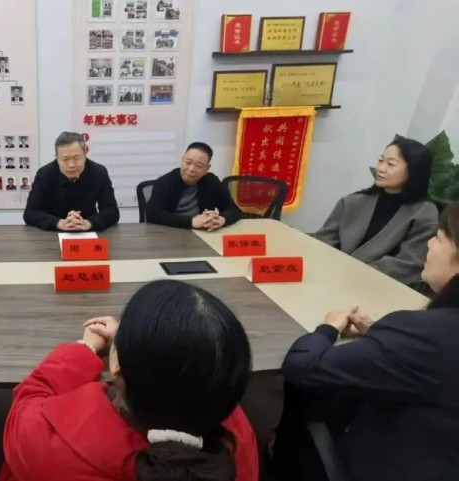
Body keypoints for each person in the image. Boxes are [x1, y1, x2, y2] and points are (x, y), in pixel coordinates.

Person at [0, 280, 259, 481]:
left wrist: (83, 350)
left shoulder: (46, 443)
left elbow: (29, 399)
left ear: (116, 365)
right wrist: (140, 343)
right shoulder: (237, 446)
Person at [272, 202, 459, 481]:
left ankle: (284, 463)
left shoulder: (425, 334)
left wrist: (328, 327)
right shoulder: (355, 200)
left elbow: (301, 365)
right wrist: (380, 334)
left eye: (439, 238)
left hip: (399, 464)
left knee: (310, 388)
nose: (429, 245)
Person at [313, 138, 438, 288]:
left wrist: (353, 274)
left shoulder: (424, 213)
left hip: (380, 287)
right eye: (381, 161)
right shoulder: (354, 201)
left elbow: (408, 264)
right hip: (330, 277)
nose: (381, 168)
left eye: (391, 164)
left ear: (413, 170)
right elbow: (323, 239)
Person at [24, 131, 119, 232]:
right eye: (65, 159)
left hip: (88, 230)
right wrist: (58, 223)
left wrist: (89, 223)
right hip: (53, 231)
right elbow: (30, 213)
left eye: (76, 158)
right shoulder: (44, 174)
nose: (71, 165)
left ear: (85, 154)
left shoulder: (99, 172)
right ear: (56, 157)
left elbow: (112, 211)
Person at [146, 142, 241, 230]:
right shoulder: (165, 182)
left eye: (199, 166)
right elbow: (153, 214)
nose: (191, 169)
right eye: (188, 163)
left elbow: (233, 209)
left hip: (203, 233)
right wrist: (191, 221)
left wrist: (222, 219)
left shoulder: (212, 182)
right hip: (172, 231)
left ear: (207, 169)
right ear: (182, 160)